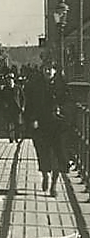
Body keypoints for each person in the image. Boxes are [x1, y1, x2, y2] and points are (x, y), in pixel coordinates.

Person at [23, 65, 69, 197]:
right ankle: (45, 175)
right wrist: (32, 120)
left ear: (55, 71)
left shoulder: (61, 85)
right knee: (43, 153)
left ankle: (54, 185)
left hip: (57, 125)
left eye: (50, 69)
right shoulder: (36, 86)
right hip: (41, 124)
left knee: (58, 155)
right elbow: (30, 104)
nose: (48, 71)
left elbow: (68, 103)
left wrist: (63, 113)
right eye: (45, 69)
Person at [0, 73, 25, 143]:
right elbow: (2, 98)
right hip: (9, 108)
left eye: (11, 79)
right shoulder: (5, 89)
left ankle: (17, 137)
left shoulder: (18, 88)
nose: (10, 81)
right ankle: (11, 137)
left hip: (17, 108)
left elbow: (23, 98)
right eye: (8, 80)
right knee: (9, 124)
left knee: (17, 124)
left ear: (13, 80)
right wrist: (4, 104)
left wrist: (22, 106)